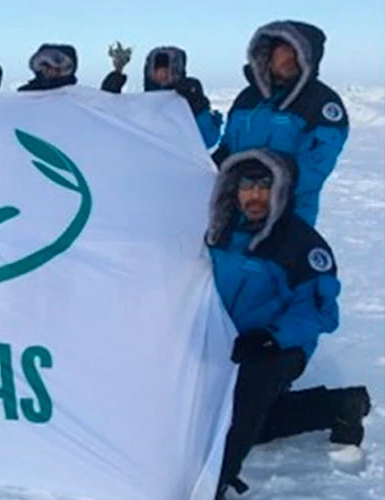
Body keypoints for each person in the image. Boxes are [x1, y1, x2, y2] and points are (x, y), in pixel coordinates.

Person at [205, 149, 370, 498]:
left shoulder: (300, 245)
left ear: (280, 190)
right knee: (226, 420)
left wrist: (273, 337)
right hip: (227, 340)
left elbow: (320, 312)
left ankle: (216, 481)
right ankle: (339, 406)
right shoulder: (220, 233)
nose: (255, 196)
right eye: (246, 186)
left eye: (265, 186)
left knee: (246, 401)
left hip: (277, 347)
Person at [212, 21, 348, 226]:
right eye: (285, 50)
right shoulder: (247, 98)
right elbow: (228, 146)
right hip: (238, 211)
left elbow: (316, 166)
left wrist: (270, 177)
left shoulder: (321, 103)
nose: (291, 57)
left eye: (299, 52)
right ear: (267, 53)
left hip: (288, 216)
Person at [101, 45, 222, 148]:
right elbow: (110, 125)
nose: (163, 75)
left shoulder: (188, 103)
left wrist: (197, 106)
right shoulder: (140, 107)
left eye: (168, 70)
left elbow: (208, 140)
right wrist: (109, 93)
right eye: (158, 70)